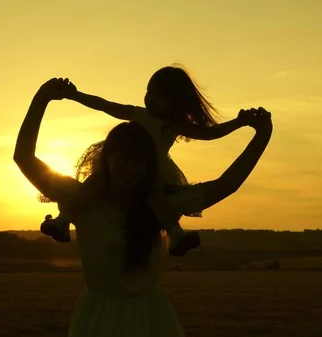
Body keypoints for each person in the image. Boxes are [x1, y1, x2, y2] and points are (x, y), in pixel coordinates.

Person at [14, 78, 273, 337]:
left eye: (139, 162)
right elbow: (23, 157)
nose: (130, 169)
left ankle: (178, 237)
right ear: (108, 160)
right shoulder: (83, 198)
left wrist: (261, 136)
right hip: (97, 320)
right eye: (123, 159)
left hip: (152, 320)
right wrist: (43, 96)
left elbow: (225, 185)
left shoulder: (161, 204)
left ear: (151, 167)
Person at [38, 65, 252, 256]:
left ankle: (177, 235)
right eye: (148, 92)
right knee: (95, 183)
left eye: (158, 95)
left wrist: (239, 123)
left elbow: (210, 133)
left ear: (175, 101)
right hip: (120, 162)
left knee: (154, 195)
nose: (150, 98)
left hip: (149, 170)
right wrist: (75, 95)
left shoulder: (175, 125)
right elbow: (105, 105)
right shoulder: (138, 114)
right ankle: (64, 220)